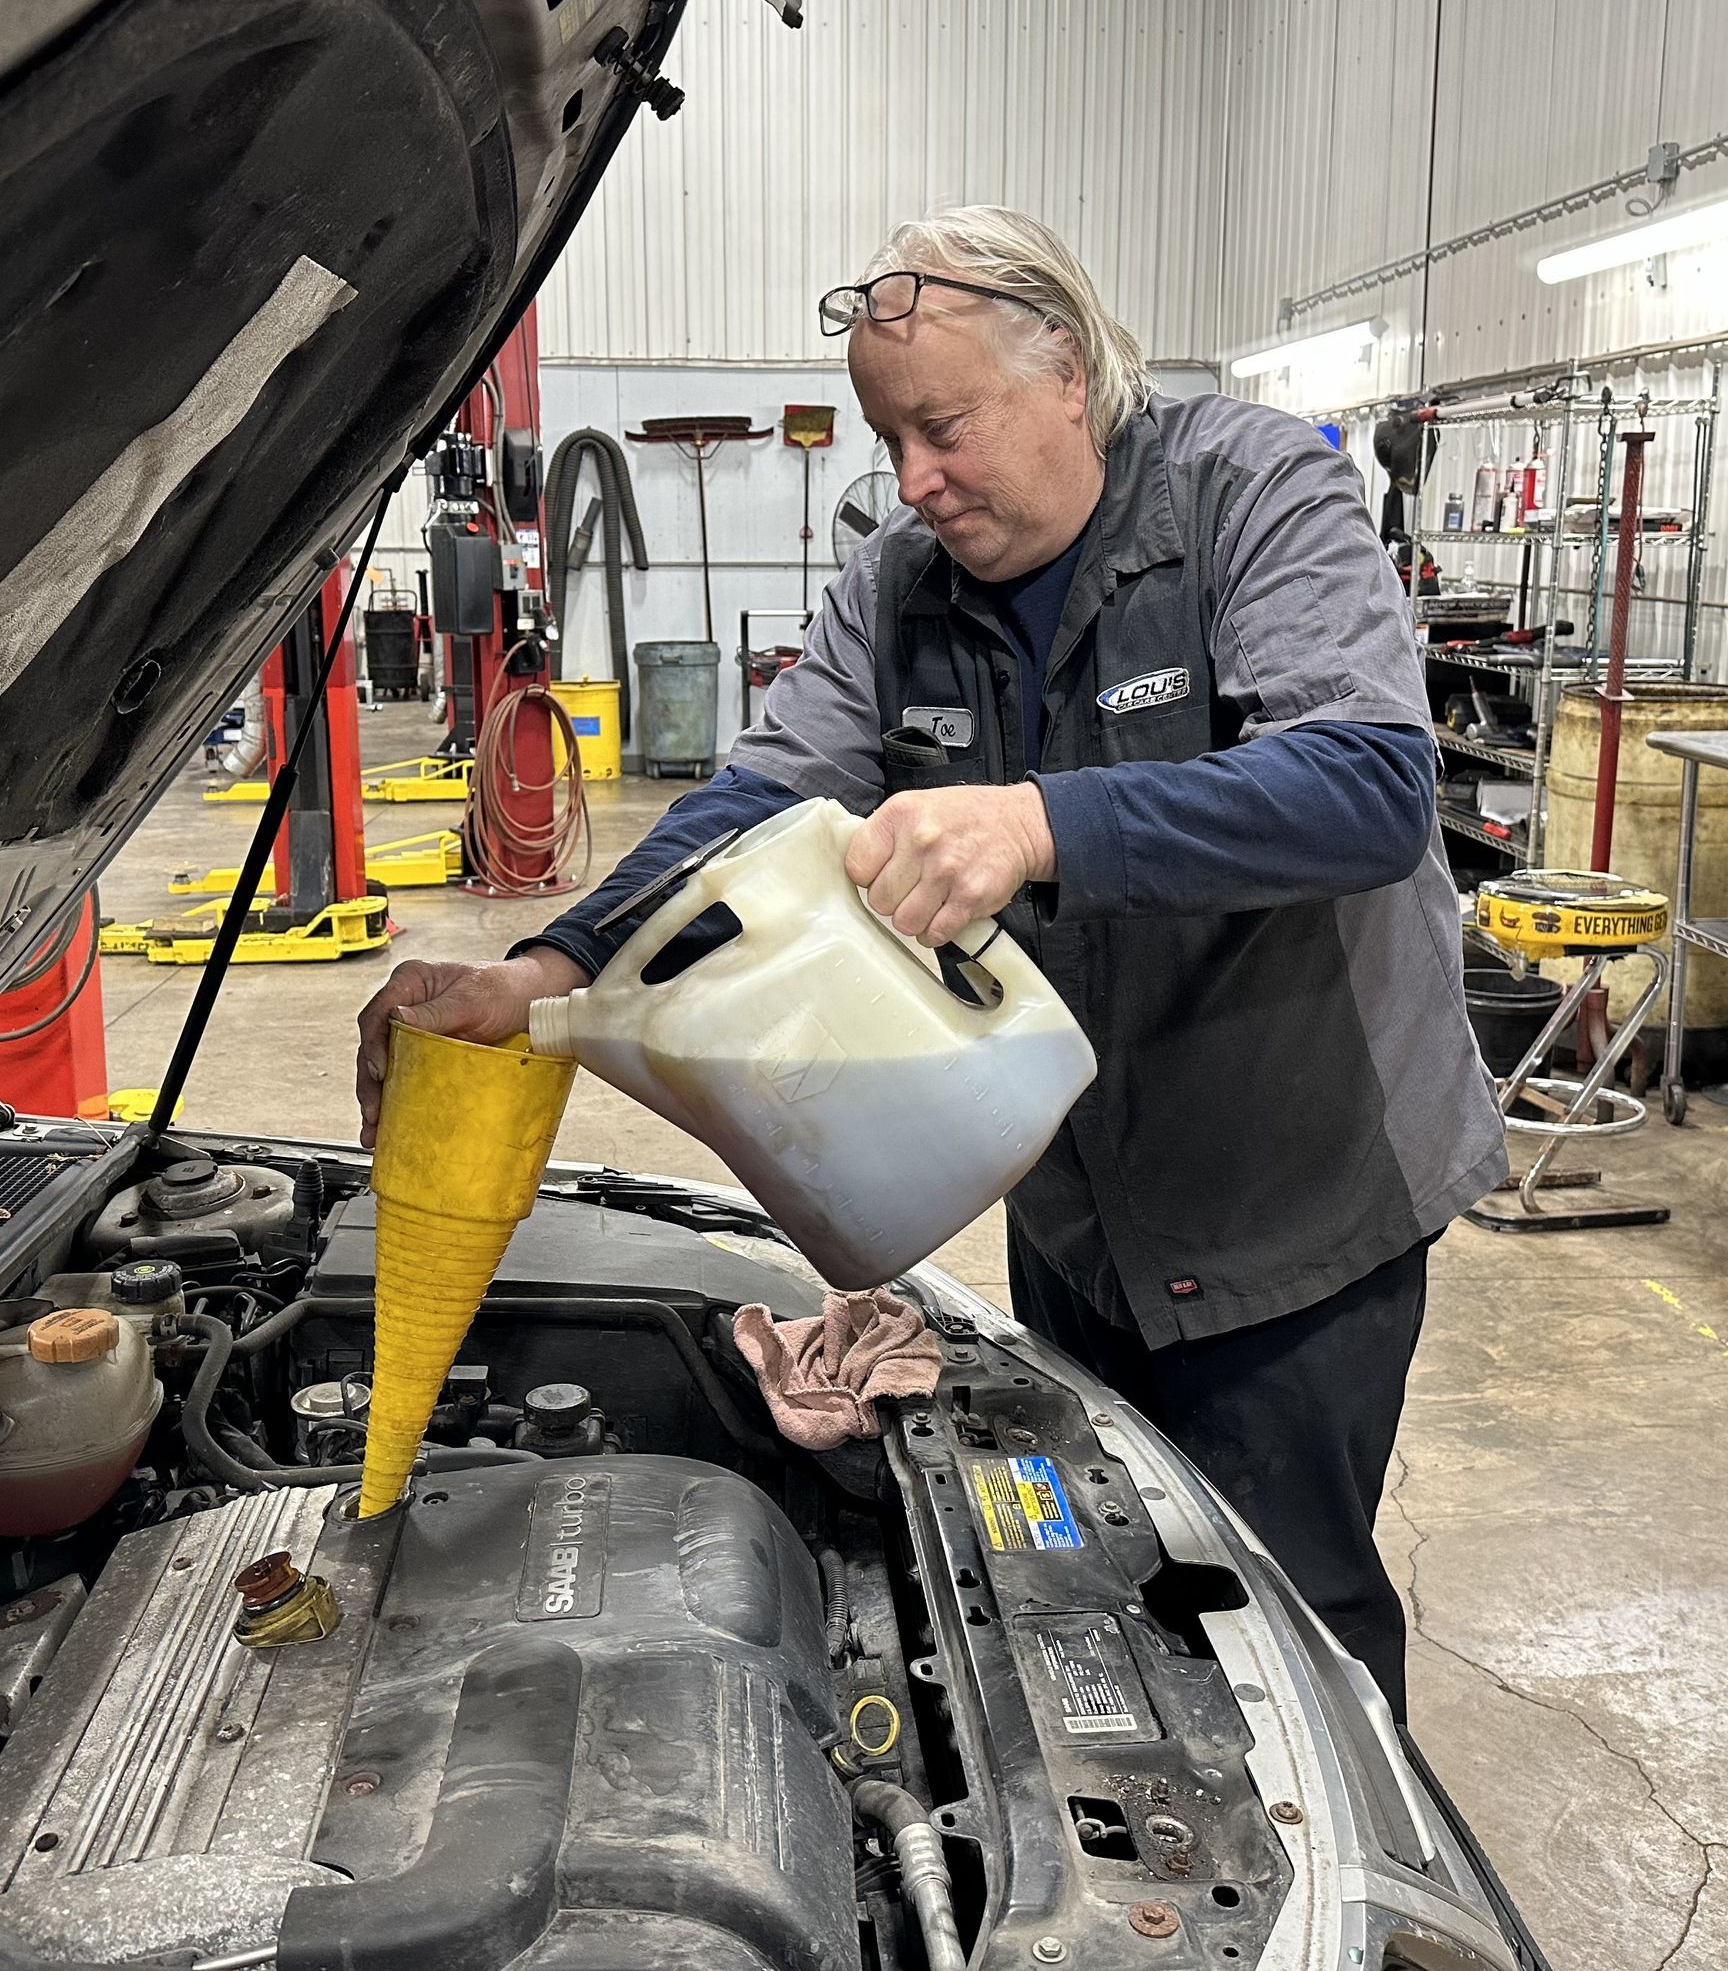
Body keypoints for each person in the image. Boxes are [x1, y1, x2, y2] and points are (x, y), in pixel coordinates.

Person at [355, 206, 1506, 1723]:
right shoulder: (905, 581)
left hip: (1296, 1188)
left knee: (1288, 1613)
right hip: (1075, 1186)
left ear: (1073, 377)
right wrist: (549, 961)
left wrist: (1043, 821)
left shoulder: (1253, 492)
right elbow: (756, 793)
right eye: (890, 440)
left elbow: (1367, 784)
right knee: (1100, 1573)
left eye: (943, 428)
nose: (914, 481)